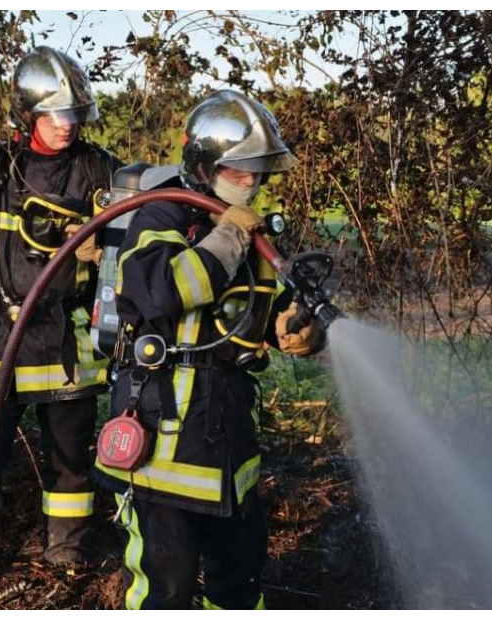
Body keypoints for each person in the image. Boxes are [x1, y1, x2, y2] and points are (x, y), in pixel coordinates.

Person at [94, 90, 325, 609]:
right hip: (163, 434)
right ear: (204, 163)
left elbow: (257, 309)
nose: (250, 182)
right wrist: (225, 240)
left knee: (239, 577)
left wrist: (290, 328)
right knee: (167, 584)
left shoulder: (246, 229)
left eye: (256, 172)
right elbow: (159, 291)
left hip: (228, 438)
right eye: (238, 170)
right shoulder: (162, 214)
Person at [0, 46, 121, 610]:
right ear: (28, 114)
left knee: (69, 465)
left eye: (75, 113)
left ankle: (65, 562)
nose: (67, 125)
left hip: (65, 342)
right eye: (55, 114)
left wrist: (103, 251)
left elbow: (137, 245)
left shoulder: (100, 171)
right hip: (0, 340)